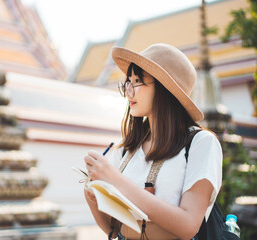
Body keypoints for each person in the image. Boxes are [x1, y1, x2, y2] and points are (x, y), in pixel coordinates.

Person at [84, 43, 222, 240]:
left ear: (165, 88)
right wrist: (92, 195)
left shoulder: (200, 143)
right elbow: (113, 230)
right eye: (127, 82)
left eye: (137, 81)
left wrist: (115, 180)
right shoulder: (125, 150)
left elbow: (188, 225)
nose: (128, 91)